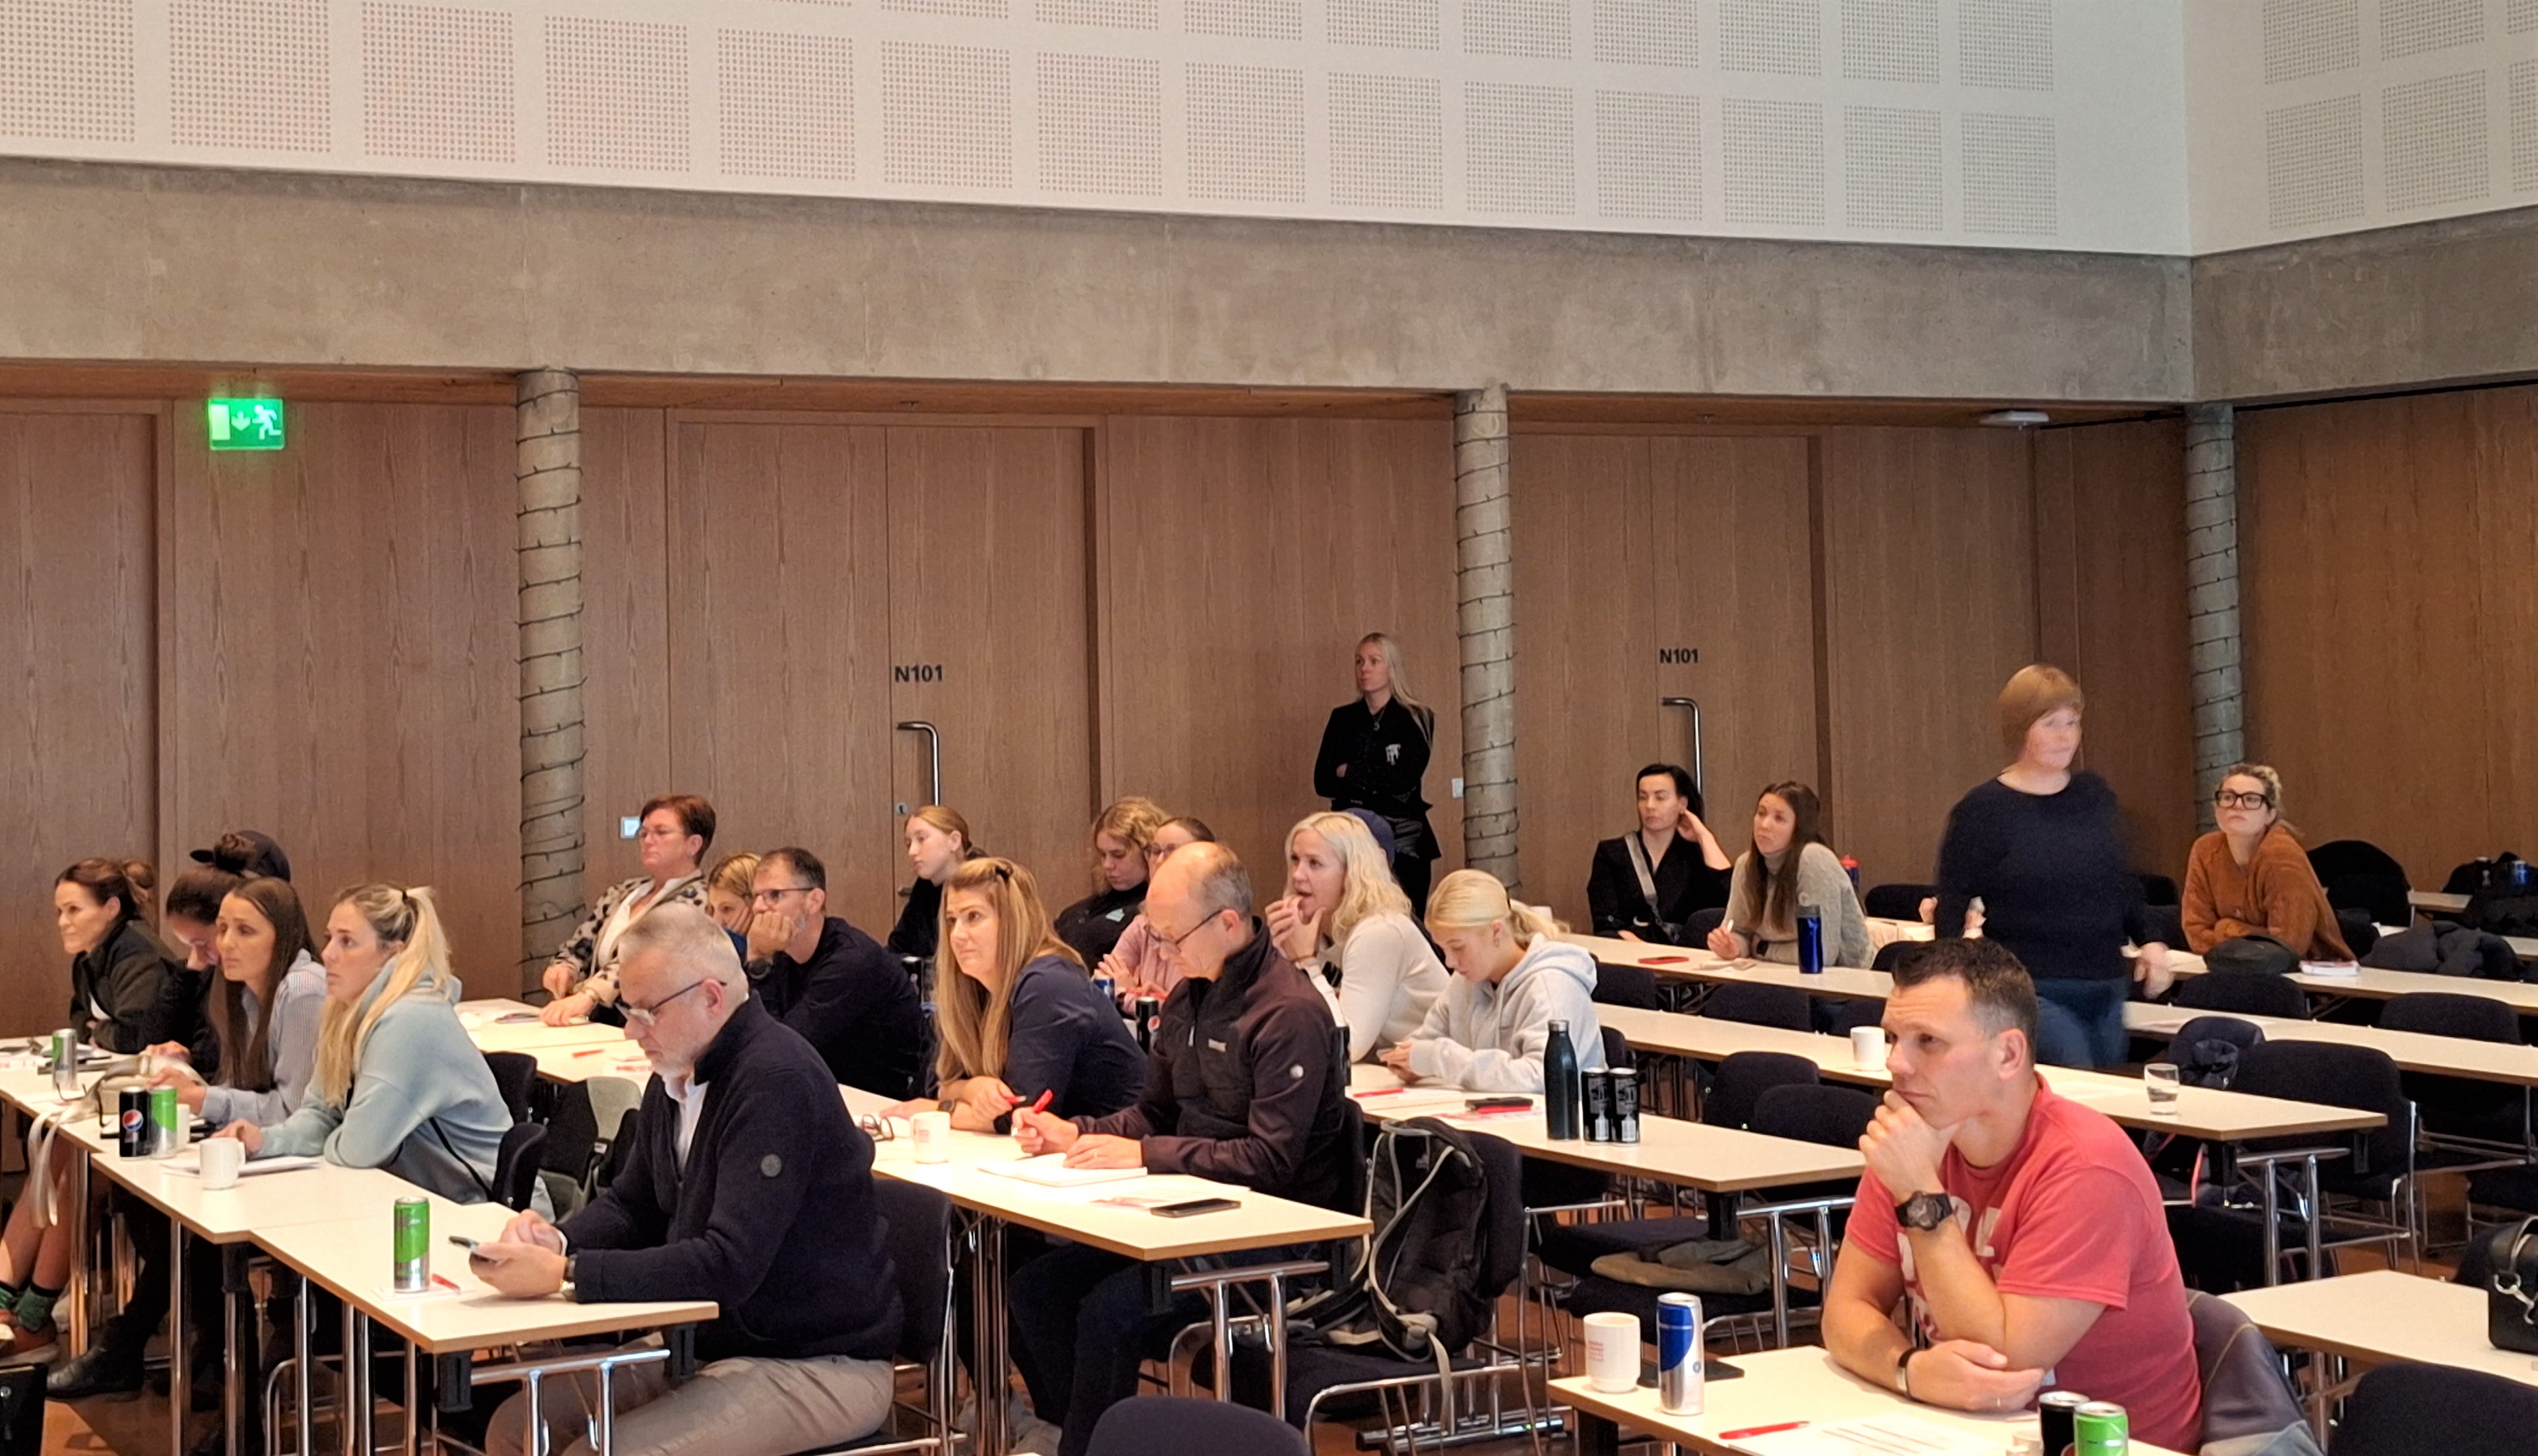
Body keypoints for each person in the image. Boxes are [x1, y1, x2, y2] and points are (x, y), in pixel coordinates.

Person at [475, 905, 903, 1456]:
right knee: (516, 1429)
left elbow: (729, 1263)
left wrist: (568, 1273)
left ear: (711, 998)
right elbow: (632, 1206)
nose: (632, 1030)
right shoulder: (677, 1070)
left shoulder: (775, 1080)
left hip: (816, 1362)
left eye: (647, 1012)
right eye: (627, 1009)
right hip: (708, 1341)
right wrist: (557, 1241)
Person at [1007, 844, 1353, 1456]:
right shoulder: (1187, 998)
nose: (1163, 953)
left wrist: (1145, 1155)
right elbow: (1154, 1113)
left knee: (1110, 1313)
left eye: (1172, 938)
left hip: (1277, 1234)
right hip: (1186, 1211)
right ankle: (1075, 1438)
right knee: (1036, 1288)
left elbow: (1270, 1161)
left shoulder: (1288, 1013)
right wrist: (1078, 1133)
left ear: (1228, 923)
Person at [1822, 938, 2199, 1453]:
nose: (1896, 1062)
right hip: (1971, 1435)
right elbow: (1845, 1312)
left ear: (2007, 1054)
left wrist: (1918, 1193)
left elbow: (2001, 1365)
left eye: (1927, 1042)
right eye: (1892, 1037)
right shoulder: (1913, 1140)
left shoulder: (2086, 1166)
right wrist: (1908, 1370)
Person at [46, 878, 323, 1406]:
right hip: (264, 1147)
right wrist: (198, 1084)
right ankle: (206, 1363)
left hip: (308, 1162)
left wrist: (203, 1098)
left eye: (243, 931)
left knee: (194, 1235)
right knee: (150, 1205)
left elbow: (294, 1110)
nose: (223, 945)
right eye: (221, 930)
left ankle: (210, 1378)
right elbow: (233, 1079)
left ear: (283, 934)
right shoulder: (242, 990)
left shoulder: (303, 988)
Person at [213, 884, 519, 1205]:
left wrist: (326, 1137)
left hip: (481, 1208)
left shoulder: (410, 1021)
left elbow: (357, 1151)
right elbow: (320, 1113)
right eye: (330, 938)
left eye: (347, 942)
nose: (328, 954)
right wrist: (265, 1141)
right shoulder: (344, 1012)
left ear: (393, 954)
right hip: (415, 1197)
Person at [1933, 667, 2170, 1069]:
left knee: (2107, 1093)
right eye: (2051, 724)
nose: (2066, 737)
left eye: (2072, 723)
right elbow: (1953, 902)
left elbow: (2120, 881)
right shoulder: (1984, 810)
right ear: (2020, 729)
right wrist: (1950, 984)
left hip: (2105, 980)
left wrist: (2151, 941)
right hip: (2030, 985)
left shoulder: (2094, 797)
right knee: (2075, 1077)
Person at [885, 858, 1142, 1130]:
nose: (957, 935)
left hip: (1122, 1147)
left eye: (973, 917)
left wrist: (939, 1110)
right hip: (1052, 1151)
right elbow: (936, 1082)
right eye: (951, 921)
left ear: (1012, 922)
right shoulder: (974, 985)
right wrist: (970, 1089)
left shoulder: (1049, 983)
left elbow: (1022, 1114)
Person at [1380, 869, 1607, 1091]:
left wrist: (1439, 1060)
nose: (1450, 962)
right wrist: (1409, 1061)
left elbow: (1543, 1078)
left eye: (1457, 948)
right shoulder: (1465, 980)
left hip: (1563, 1114)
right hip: (1488, 1111)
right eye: (1443, 949)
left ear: (1496, 931)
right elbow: (1428, 1041)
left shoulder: (1551, 986)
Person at [743, 848, 927, 1098]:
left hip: (883, 1101)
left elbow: (780, 1052)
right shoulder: (782, 954)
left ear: (814, 900)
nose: (758, 908)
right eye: (756, 897)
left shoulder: (851, 961)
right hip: (827, 1091)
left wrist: (758, 962)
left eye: (775, 895)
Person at [1266, 811, 1447, 1062]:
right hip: (1385, 1071)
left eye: (1314, 863)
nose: (1297, 875)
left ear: (1351, 874)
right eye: (1295, 860)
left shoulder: (1379, 931)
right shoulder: (1310, 929)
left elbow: (1345, 1048)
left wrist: (1306, 962)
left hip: (1441, 1074)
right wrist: (1276, 960)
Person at [540, 793, 716, 1026]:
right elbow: (581, 946)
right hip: (598, 1017)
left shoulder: (699, 900)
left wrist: (590, 995)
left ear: (693, 844)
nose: (648, 840)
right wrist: (565, 967)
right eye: (643, 833)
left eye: (661, 833)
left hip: (652, 1024)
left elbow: (641, 960)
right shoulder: (621, 892)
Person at [1315, 632, 1442, 910]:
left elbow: (1403, 781)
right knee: (1353, 915)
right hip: (1352, 834)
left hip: (1404, 838)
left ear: (1392, 668)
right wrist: (1378, 775)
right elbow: (1322, 781)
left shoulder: (1416, 718)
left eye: (1374, 661)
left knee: (1408, 917)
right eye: (1359, 661)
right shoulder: (1343, 719)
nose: (1365, 669)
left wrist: (1349, 771)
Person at [2183, 764, 2353, 962]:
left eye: (2251, 799)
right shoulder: (2204, 850)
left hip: (2310, 970)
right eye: (2228, 797)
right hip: (2230, 966)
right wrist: (2252, 939)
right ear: (2217, 810)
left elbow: (2288, 945)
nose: (2237, 805)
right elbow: (2195, 932)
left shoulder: (2282, 854)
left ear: (2270, 815)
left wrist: (2224, 928)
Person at [1710, 782, 1873, 968]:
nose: (1764, 825)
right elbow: (1740, 932)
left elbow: (1820, 953)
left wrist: (1763, 948)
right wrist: (1732, 947)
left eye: (1779, 819)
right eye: (1761, 814)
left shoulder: (1814, 859)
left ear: (1799, 828)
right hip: (1777, 974)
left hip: (1846, 978)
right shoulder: (1746, 865)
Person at [1586, 764, 1733, 943]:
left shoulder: (1696, 855)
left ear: (1682, 804)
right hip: (1629, 951)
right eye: (1643, 798)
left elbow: (1732, 903)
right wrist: (1651, 954)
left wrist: (1705, 837)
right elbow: (1605, 924)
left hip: (1688, 953)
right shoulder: (1612, 853)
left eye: (1660, 798)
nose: (1650, 806)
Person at [1098, 815, 1215, 1007]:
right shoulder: (1142, 924)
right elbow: (1104, 982)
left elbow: (1185, 1011)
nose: (1159, 861)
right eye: (1155, 851)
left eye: (1172, 851)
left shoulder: (1209, 927)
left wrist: (1127, 995)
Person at [56, 857, 169, 1054]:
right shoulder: (86, 956)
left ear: (111, 909)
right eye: (60, 911)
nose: (62, 922)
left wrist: (98, 1031)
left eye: (73, 909)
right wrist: (96, 1033)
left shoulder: (138, 955)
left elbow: (134, 1037)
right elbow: (79, 1015)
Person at [1053, 797, 1166, 967]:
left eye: (1118, 855)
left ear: (1149, 852)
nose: (1108, 865)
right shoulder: (1087, 906)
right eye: (1102, 855)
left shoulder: (1155, 912)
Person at [888, 805, 981, 963]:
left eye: (921, 839)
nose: (912, 851)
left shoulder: (985, 886)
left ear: (954, 841)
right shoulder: (924, 888)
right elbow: (897, 948)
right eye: (909, 844)